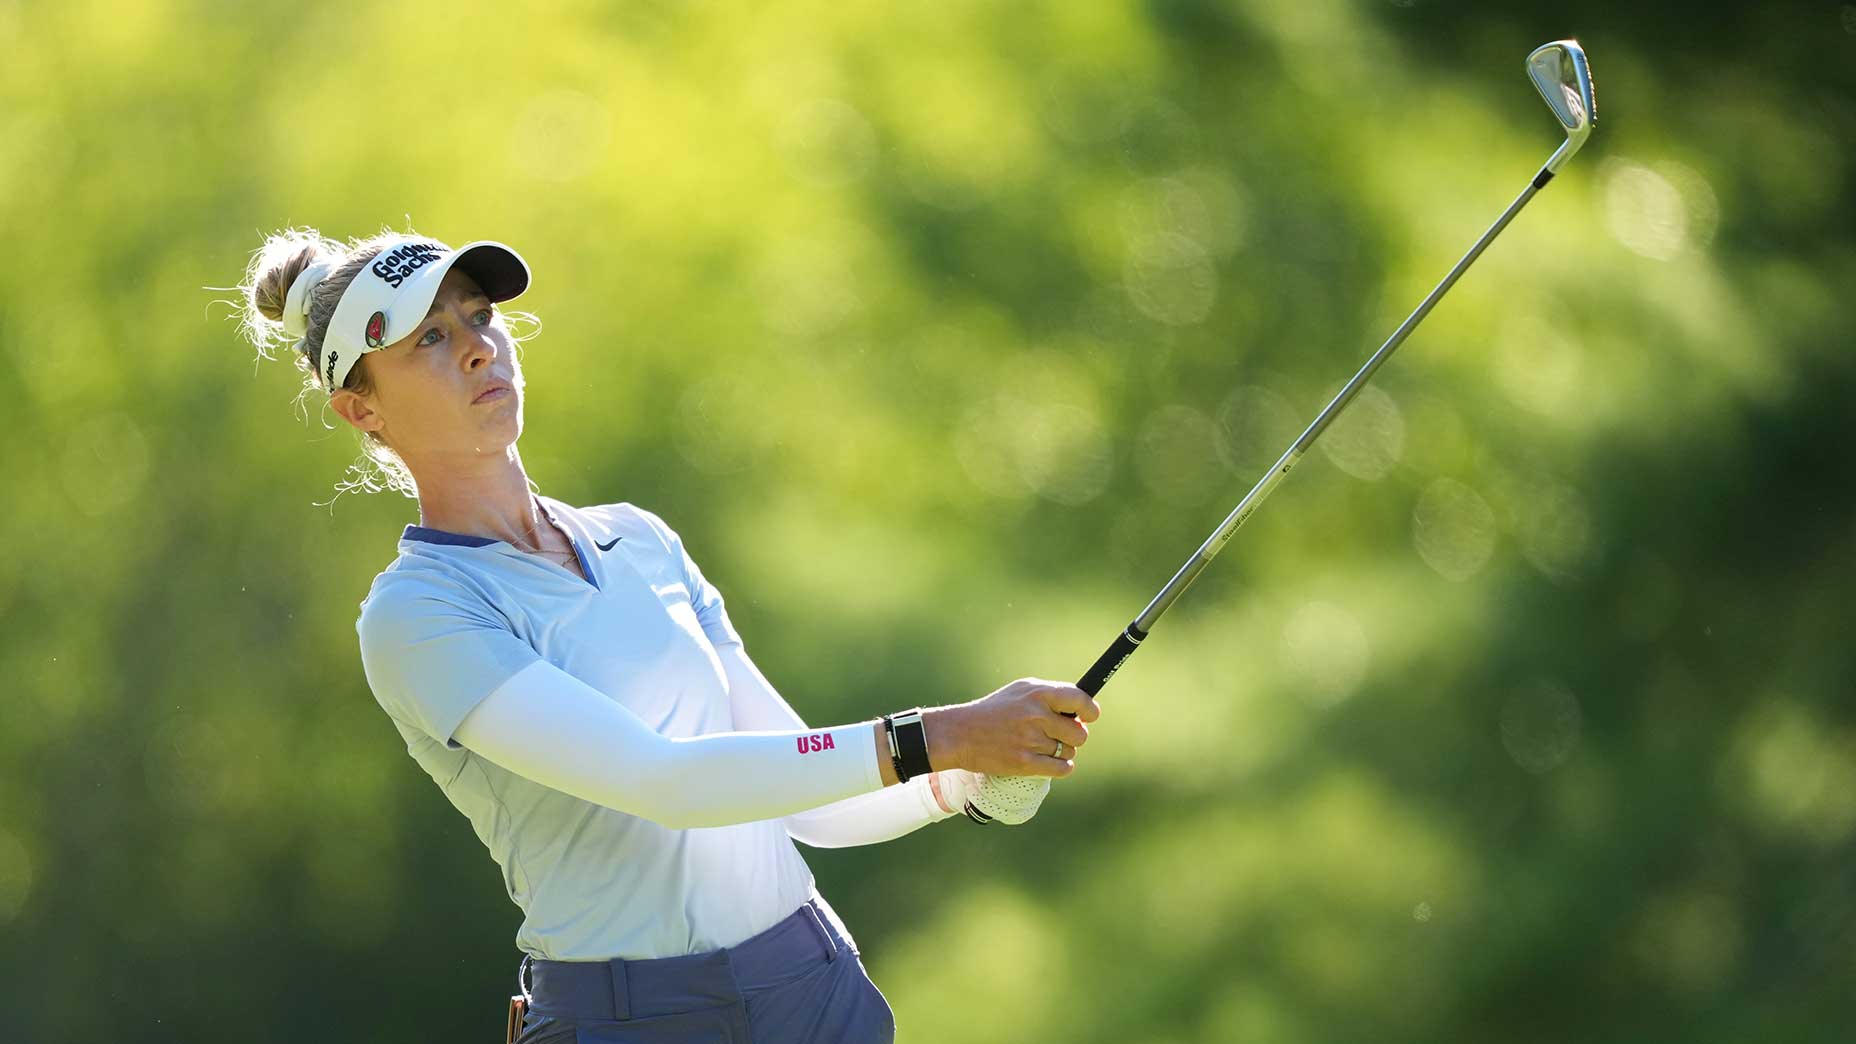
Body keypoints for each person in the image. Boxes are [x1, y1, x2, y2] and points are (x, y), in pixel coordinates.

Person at [234, 227, 1101, 1044]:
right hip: (633, 1021)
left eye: (480, 315)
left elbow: (798, 785)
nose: (476, 347)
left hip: (813, 985)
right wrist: (939, 735)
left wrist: (963, 781)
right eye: (426, 338)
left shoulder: (638, 539)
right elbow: (664, 781)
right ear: (360, 410)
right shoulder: (418, 615)